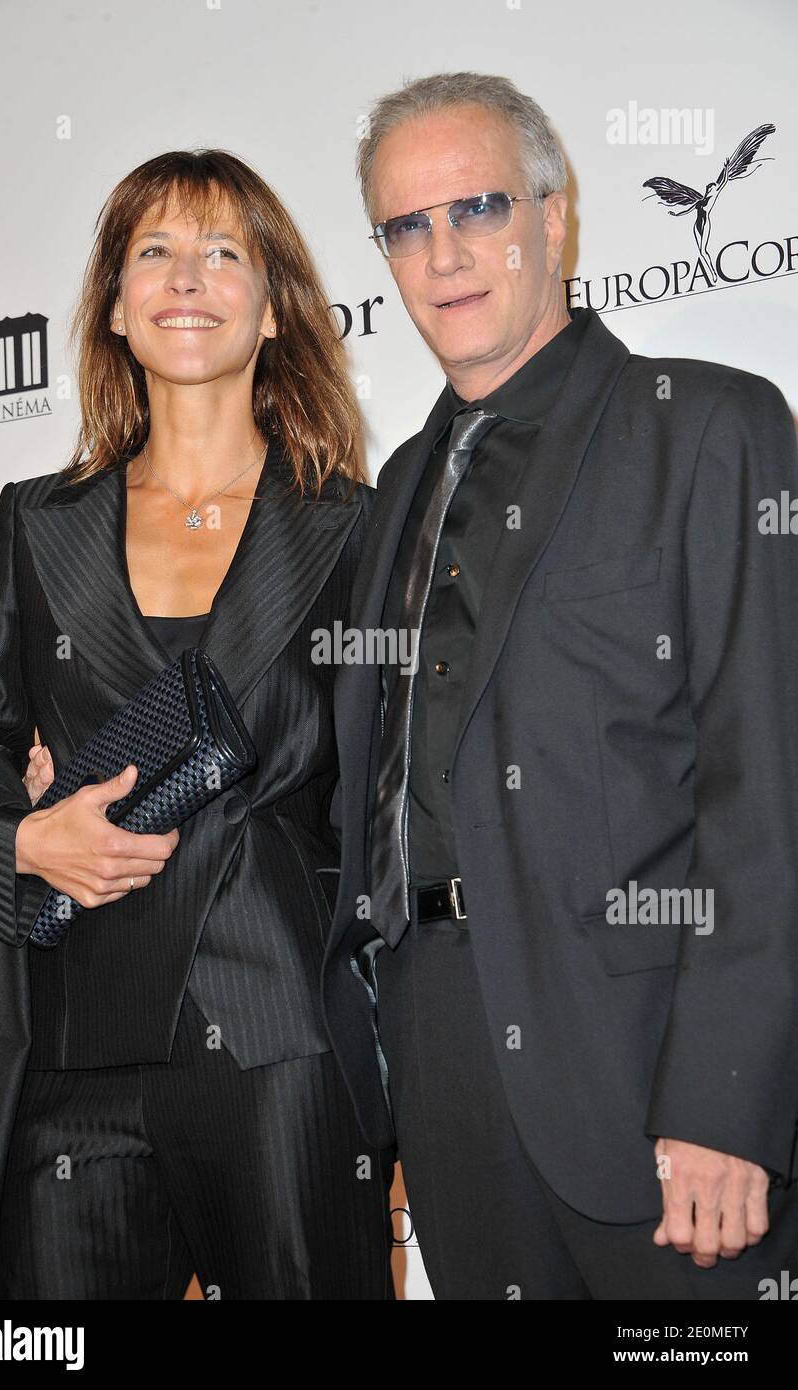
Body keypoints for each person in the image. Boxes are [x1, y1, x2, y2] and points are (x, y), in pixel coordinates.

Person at [320, 71, 798, 1299]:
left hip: (654, 1091)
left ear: (555, 216)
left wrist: (727, 1099)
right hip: (446, 1078)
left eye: (475, 207)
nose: (443, 253)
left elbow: (769, 789)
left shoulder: (708, 428)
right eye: (405, 226)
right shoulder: (396, 494)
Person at [0, 148, 395, 1300]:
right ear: (114, 306)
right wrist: (19, 841)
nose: (186, 277)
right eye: (154, 251)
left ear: (278, 305)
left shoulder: (357, 529)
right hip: (72, 1043)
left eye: (222, 251)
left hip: (280, 1039)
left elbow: (401, 786)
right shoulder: (37, 526)